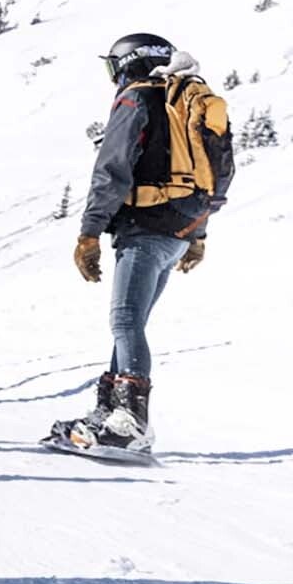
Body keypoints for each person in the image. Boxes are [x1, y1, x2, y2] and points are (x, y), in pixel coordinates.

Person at [55, 35, 230, 452]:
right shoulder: (186, 100)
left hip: (144, 228)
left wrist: (89, 233)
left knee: (125, 321)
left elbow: (112, 169)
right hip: (180, 230)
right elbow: (212, 175)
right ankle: (108, 412)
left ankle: (131, 421)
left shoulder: (137, 99)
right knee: (132, 322)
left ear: (124, 64)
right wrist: (198, 236)